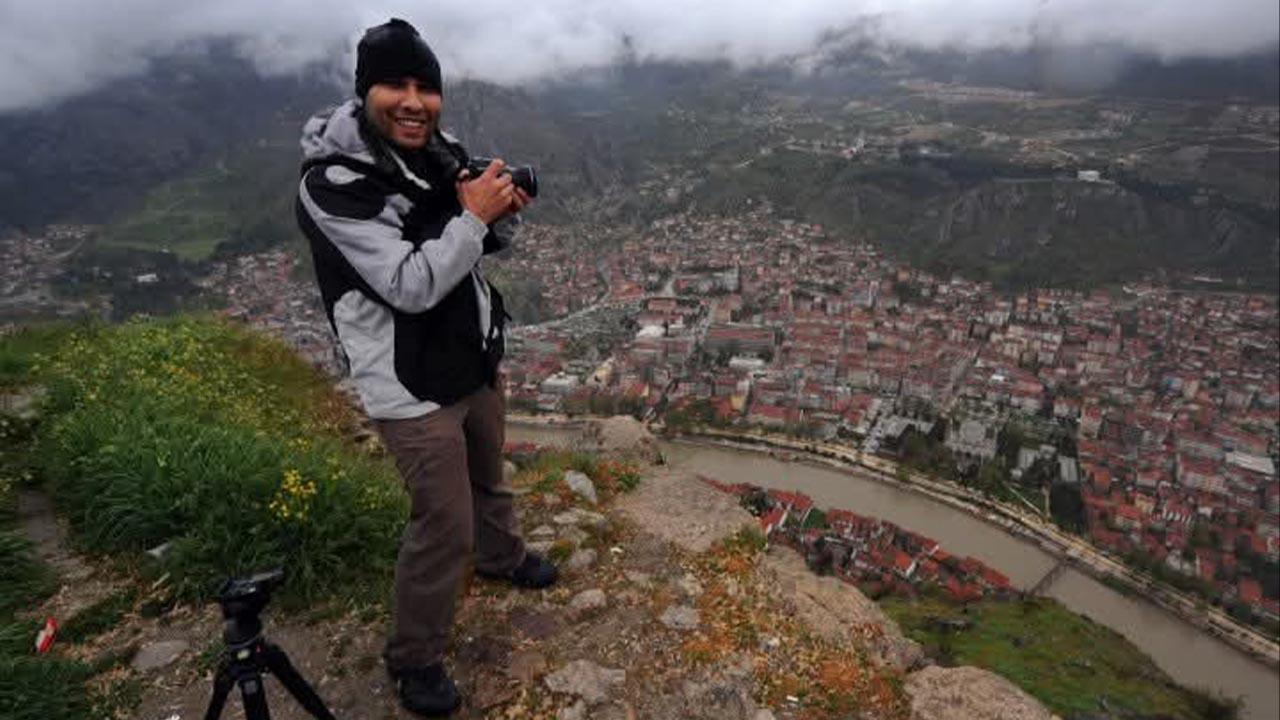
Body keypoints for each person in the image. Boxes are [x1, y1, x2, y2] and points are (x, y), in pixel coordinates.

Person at [294, 18, 556, 716]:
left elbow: (479, 243)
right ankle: (414, 659)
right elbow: (409, 283)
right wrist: (471, 218)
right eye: (395, 85)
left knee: (488, 481)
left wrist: (498, 213)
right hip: (408, 386)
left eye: (425, 88)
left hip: (469, 356)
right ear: (364, 91)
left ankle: (502, 559)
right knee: (443, 524)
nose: (413, 101)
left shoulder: (440, 152)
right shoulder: (334, 185)